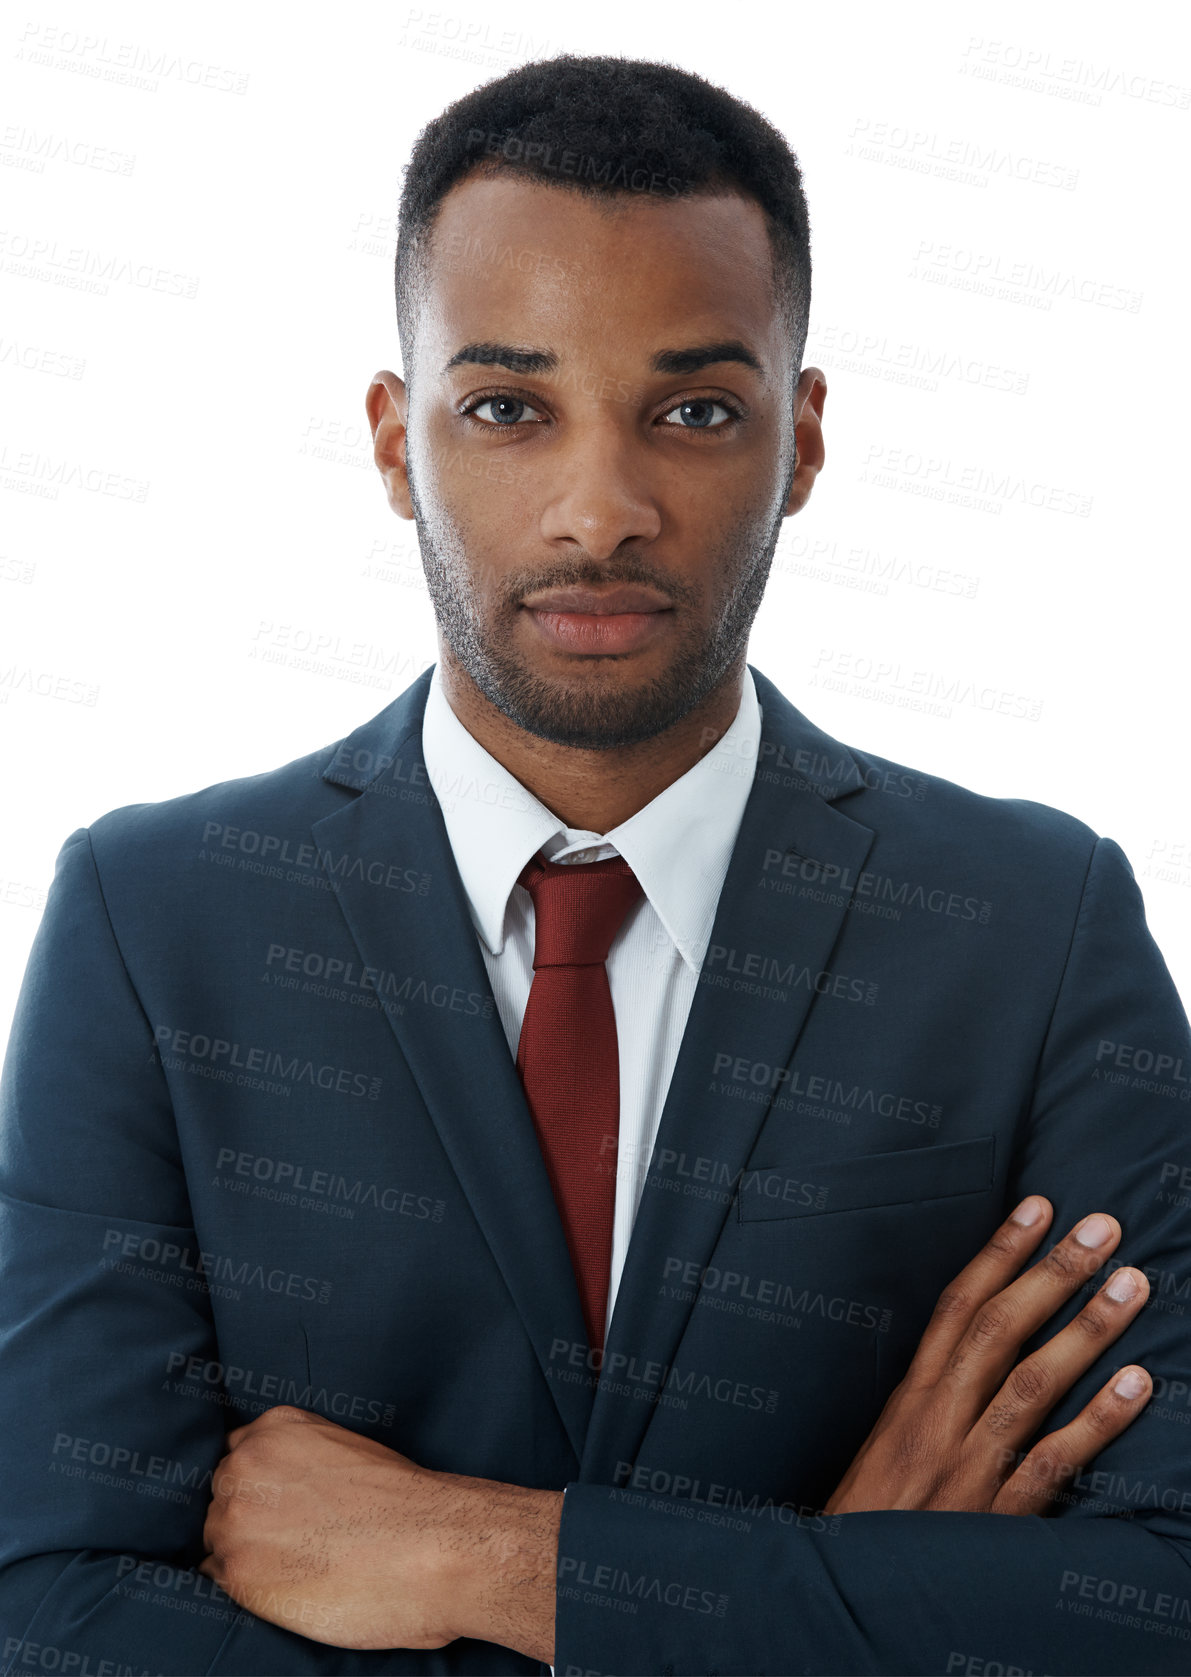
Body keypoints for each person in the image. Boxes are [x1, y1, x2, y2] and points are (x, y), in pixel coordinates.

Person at [2, 52, 1190, 1677]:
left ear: (808, 437)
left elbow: (1162, 1600)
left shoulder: (1035, 925)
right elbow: (51, 1611)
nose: (599, 508)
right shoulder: (153, 924)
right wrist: (821, 1597)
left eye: (694, 410)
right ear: (394, 440)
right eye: (507, 407)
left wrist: (498, 1561)